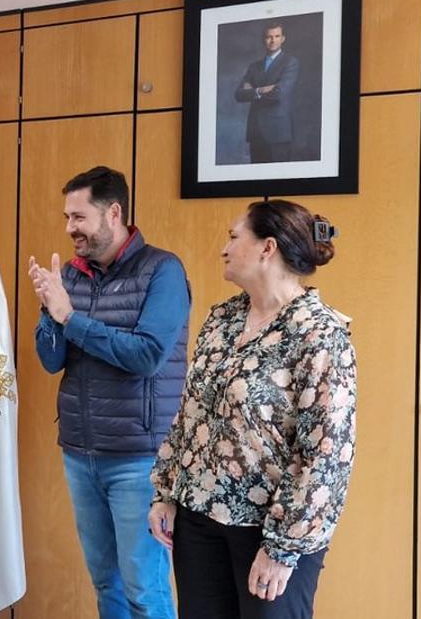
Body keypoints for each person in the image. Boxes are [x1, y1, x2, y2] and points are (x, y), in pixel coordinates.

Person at [148, 200, 356, 619]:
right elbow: (192, 411)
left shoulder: (318, 333)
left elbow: (327, 456)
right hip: (200, 517)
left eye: (233, 237)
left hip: (270, 532)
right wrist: (167, 492)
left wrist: (282, 548)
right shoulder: (222, 318)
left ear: (267, 248)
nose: (224, 248)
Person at [28, 166, 190, 619]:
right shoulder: (74, 277)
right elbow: (51, 361)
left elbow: (148, 356)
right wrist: (49, 310)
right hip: (80, 452)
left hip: (139, 458)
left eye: (78, 217)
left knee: (144, 589)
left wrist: (70, 318)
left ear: (113, 213)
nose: (69, 229)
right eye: (66, 217)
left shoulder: (163, 270)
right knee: (106, 583)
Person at [234, 22, 300, 163]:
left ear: (283, 38)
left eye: (277, 36)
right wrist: (260, 90)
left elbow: (279, 94)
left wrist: (252, 91)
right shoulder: (254, 66)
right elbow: (239, 94)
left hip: (278, 132)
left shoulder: (290, 62)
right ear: (264, 39)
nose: (273, 40)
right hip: (256, 131)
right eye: (269, 37)